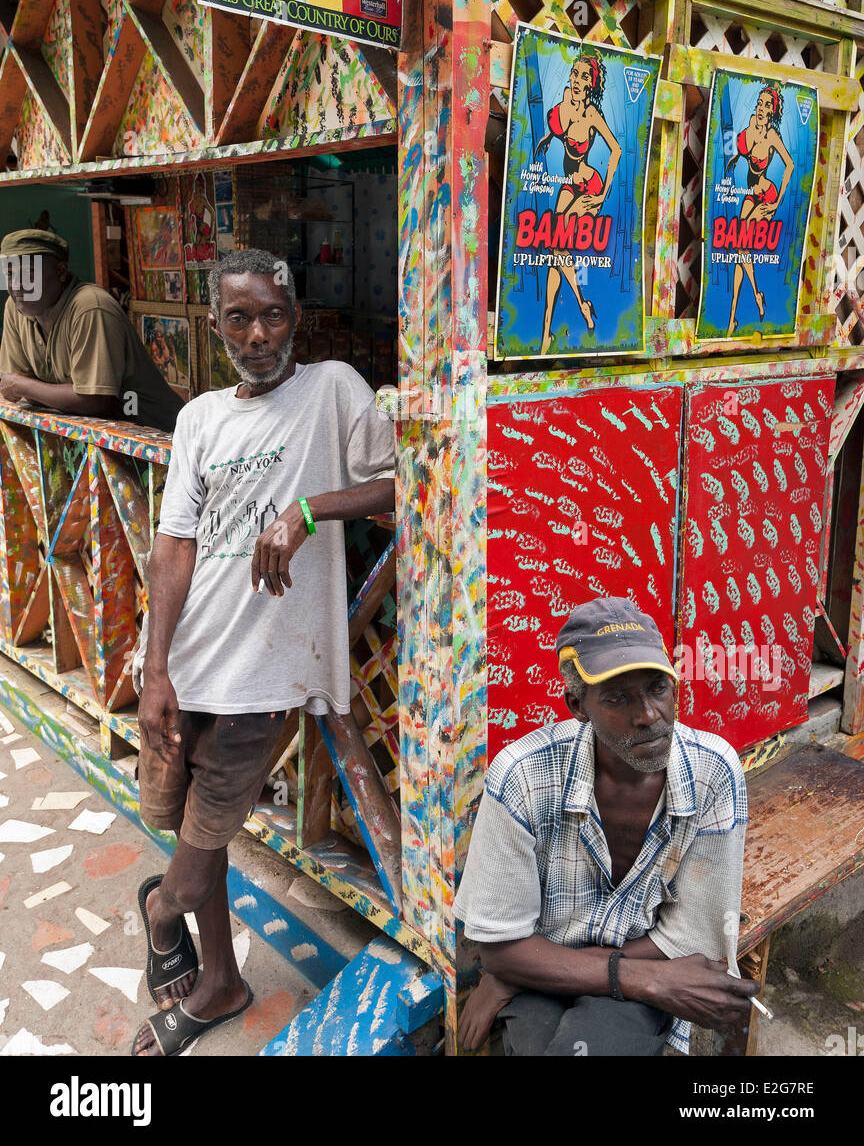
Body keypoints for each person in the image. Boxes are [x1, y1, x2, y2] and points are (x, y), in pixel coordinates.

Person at [130, 248, 395, 1057]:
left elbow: (398, 487)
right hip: (187, 663)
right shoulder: (203, 417)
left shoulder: (334, 389)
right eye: (239, 318)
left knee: (195, 854)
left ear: (296, 316)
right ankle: (220, 982)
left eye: (271, 315)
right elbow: (174, 545)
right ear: (216, 325)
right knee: (183, 830)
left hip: (265, 675)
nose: (257, 333)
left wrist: (306, 511)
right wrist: (157, 666)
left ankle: (159, 912)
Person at [454, 597, 757, 1056]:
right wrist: (640, 977)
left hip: (574, 966)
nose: (649, 715)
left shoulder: (713, 772)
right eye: (617, 697)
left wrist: (513, 974)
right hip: (564, 976)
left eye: (658, 688)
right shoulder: (521, 775)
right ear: (577, 704)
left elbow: (693, 939)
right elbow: (499, 946)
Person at [0, 227, 183, 431]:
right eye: (9, 274)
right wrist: (24, 386)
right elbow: (13, 386)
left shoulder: (90, 306)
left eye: (27, 273)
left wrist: (24, 386)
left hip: (158, 434)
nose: (15, 286)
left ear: (60, 272)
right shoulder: (15, 307)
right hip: (98, 439)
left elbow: (95, 402)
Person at [534, 53, 622, 352]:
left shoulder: (594, 115)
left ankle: (552, 327)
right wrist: (549, 137)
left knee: (556, 244)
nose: (576, 80)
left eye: (584, 77)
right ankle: (557, 321)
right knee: (554, 254)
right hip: (570, 185)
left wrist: (602, 195)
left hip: (590, 185)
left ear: (592, 85)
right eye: (574, 73)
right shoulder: (564, 100)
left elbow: (616, 150)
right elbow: (562, 129)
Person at [725, 86, 793, 336]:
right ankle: (740, 309)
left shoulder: (773, 136)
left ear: (773, 111)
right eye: (760, 103)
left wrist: (777, 202)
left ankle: (747, 303)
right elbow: (743, 150)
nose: (762, 109)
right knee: (738, 253)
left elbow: (790, 165)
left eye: (767, 105)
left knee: (741, 246)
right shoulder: (752, 125)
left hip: (768, 194)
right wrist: (735, 158)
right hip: (751, 195)